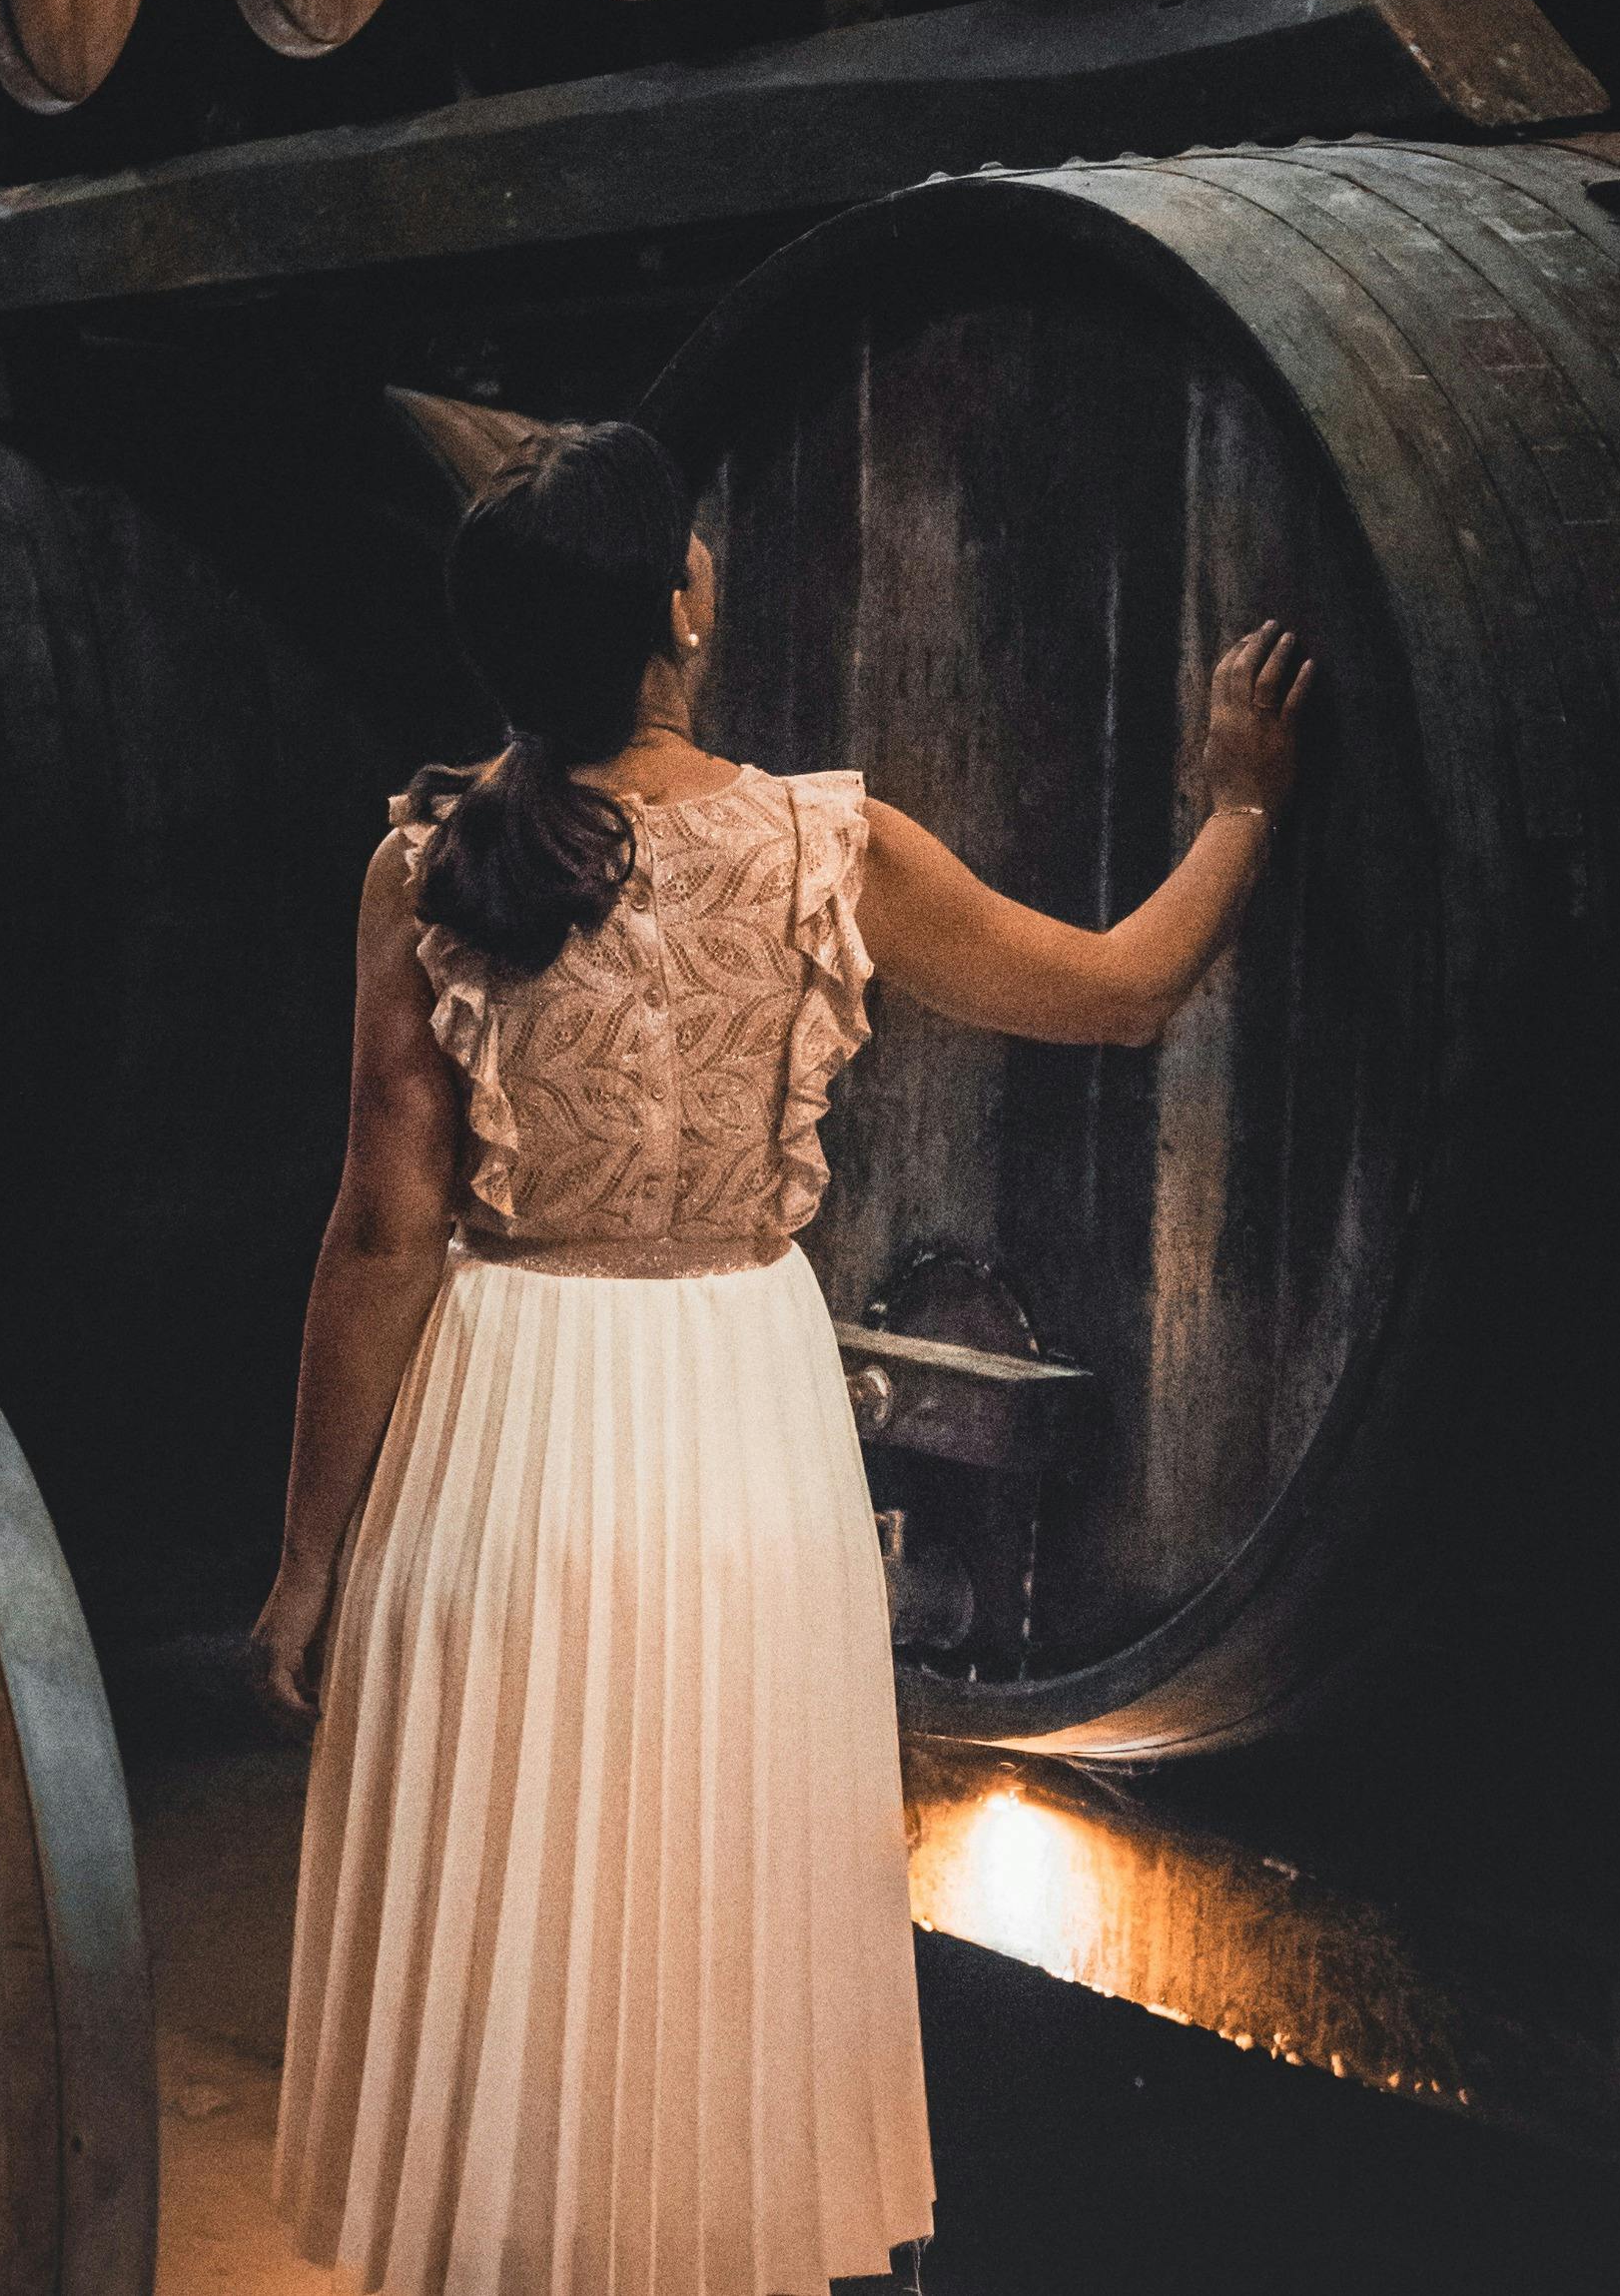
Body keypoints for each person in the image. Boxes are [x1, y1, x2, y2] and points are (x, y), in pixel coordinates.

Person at [259, 421, 1317, 2296]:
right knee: (705, 1895)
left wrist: (306, 1562)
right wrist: (1239, 805)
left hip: (510, 1421)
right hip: (740, 1429)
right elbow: (1123, 988)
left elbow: (382, 1231)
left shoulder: (424, 865)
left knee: (529, 1913)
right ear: (678, 603)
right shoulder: (833, 846)